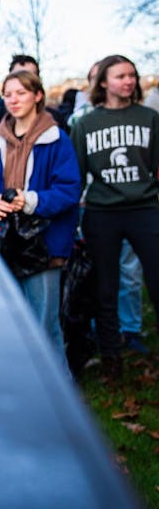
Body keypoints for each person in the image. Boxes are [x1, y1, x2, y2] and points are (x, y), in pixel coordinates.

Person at [0, 70, 81, 367]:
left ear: (38, 95)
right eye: (8, 93)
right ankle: (18, 397)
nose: (13, 100)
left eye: (21, 93)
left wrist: (30, 200)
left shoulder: (57, 140)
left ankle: (56, 403)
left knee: (44, 329)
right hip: (3, 245)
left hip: (44, 246)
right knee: (8, 328)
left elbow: (69, 191)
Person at [71, 55, 159, 379]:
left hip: (144, 209)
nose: (129, 81)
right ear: (104, 82)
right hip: (101, 212)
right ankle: (111, 359)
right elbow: (77, 175)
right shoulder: (85, 124)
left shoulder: (150, 118)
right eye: (121, 76)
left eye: (132, 75)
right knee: (105, 288)